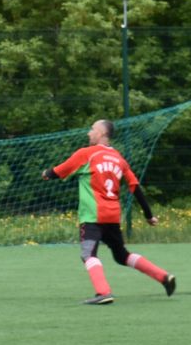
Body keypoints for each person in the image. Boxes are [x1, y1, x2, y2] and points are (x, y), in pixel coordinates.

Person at [43, 119, 175, 305]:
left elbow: (58, 172)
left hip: (93, 215)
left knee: (88, 254)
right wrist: (148, 215)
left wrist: (46, 173)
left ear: (102, 133)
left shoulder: (87, 154)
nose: (89, 133)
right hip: (112, 216)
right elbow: (135, 187)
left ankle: (103, 293)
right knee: (121, 255)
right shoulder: (119, 159)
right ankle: (163, 277)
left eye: (92, 129)